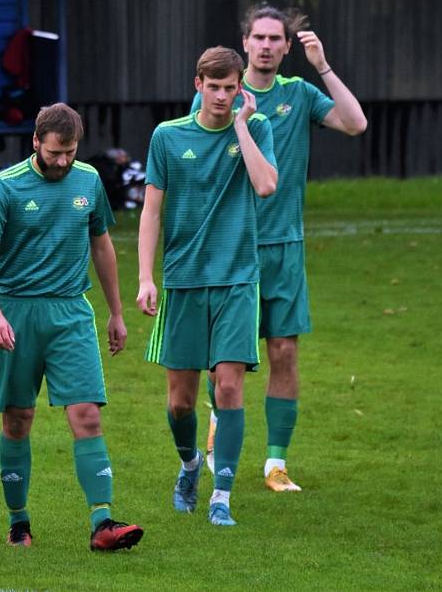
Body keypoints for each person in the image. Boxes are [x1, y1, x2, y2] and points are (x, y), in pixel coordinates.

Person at [191, 4, 367, 492]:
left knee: (284, 352)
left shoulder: (299, 94)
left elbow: (356, 124)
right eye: (259, 37)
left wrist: (324, 67)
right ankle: (217, 419)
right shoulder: (221, 93)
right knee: (227, 361)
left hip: (284, 245)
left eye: (276, 39)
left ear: (288, 48)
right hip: (231, 248)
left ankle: (275, 464)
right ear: (244, 43)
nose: (267, 45)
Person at [0, 102, 143, 551]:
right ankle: (18, 522)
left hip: (70, 314)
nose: (63, 161)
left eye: (69, 152)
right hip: (16, 313)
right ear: (35, 142)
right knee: (18, 418)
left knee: (86, 415)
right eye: (54, 153)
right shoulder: (5, 187)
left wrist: (116, 312)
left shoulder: (88, 181)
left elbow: (102, 247)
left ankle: (103, 524)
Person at [137, 47, 278, 526]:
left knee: (230, 386)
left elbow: (265, 186)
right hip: (184, 280)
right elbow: (151, 210)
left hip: (239, 278)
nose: (222, 95)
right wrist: (144, 277)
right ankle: (190, 465)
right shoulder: (168, 137)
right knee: (179, 401)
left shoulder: (256, 128)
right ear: (197, 84)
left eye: (230, 87)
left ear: (241, 87)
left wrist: (241, 126)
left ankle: (222, 496)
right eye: (213, 87)